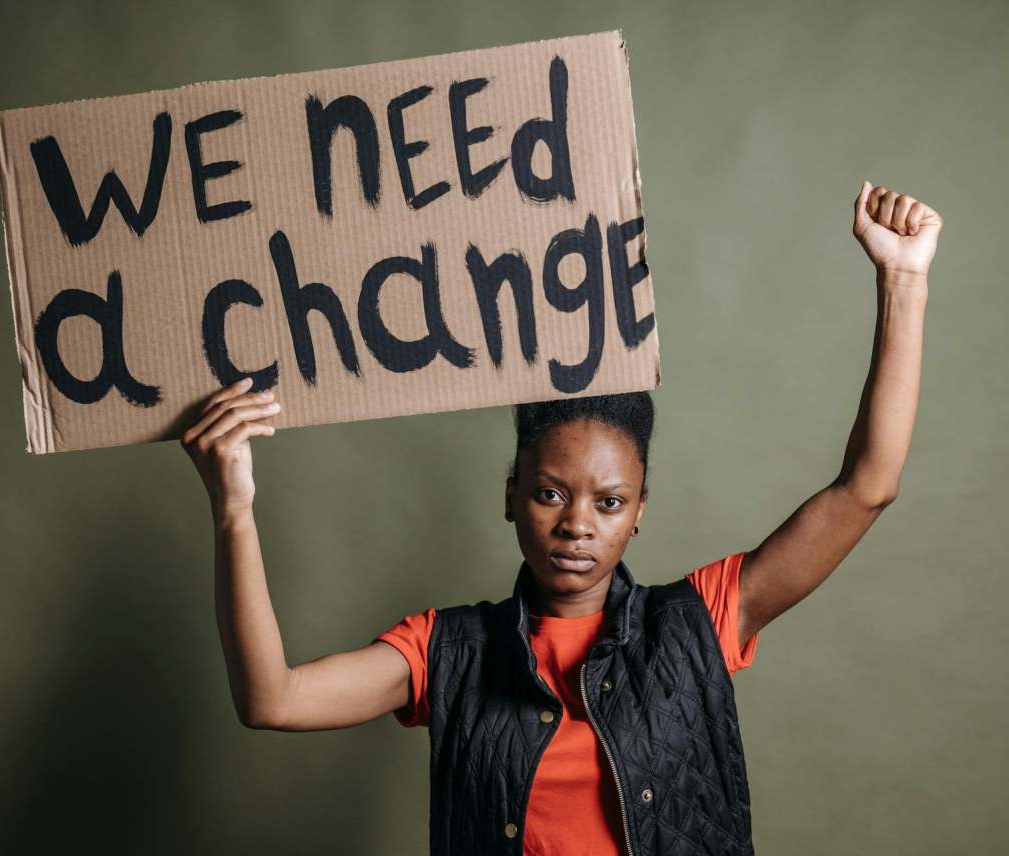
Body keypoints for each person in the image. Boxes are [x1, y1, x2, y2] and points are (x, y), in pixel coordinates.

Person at [181, 181, 942, 855]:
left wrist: (902, 282)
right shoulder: (448, 653)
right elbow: (270, 700)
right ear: (510, 494)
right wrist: (233, 508)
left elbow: (866, 488)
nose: (578, 524)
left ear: (638, 513)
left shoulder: (701, 623)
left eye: (609, 503)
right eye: (550, 494)